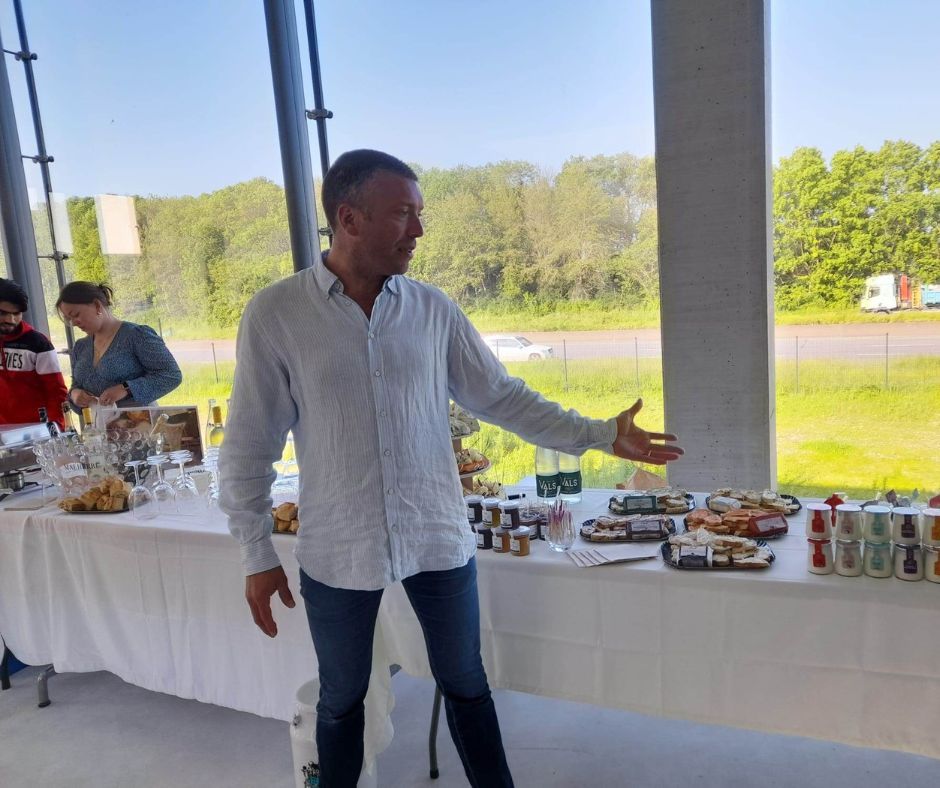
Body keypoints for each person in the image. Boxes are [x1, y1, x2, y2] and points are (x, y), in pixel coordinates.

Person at [220, 149, 683, 787]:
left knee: (466, 682)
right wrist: (255, 552)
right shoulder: (277, 314)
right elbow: (249, 444)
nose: (418, 230)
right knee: (342, 696)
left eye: (419, 213)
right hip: (338, 545)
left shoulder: (432, 309)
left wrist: (601, 434)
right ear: (349, 219)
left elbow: (503, 398)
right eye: (402, 214)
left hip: (435, 534)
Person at [56, 281, 182, 409]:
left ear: (97, 305)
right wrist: (74, 394)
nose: (73, 323)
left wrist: (126, 388)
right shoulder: (80, 346)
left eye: (76, 315)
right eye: (69, 319)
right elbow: (76, 385)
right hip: (98, 421)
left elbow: (171, 375)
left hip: (141, 419)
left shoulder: (137, 335)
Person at [0, 277, 69, 428]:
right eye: (3, 313)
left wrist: (56, 429)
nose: (11, 319)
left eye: (17, 313)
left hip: (35, 431)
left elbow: (56, 392)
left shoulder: (38, 343)